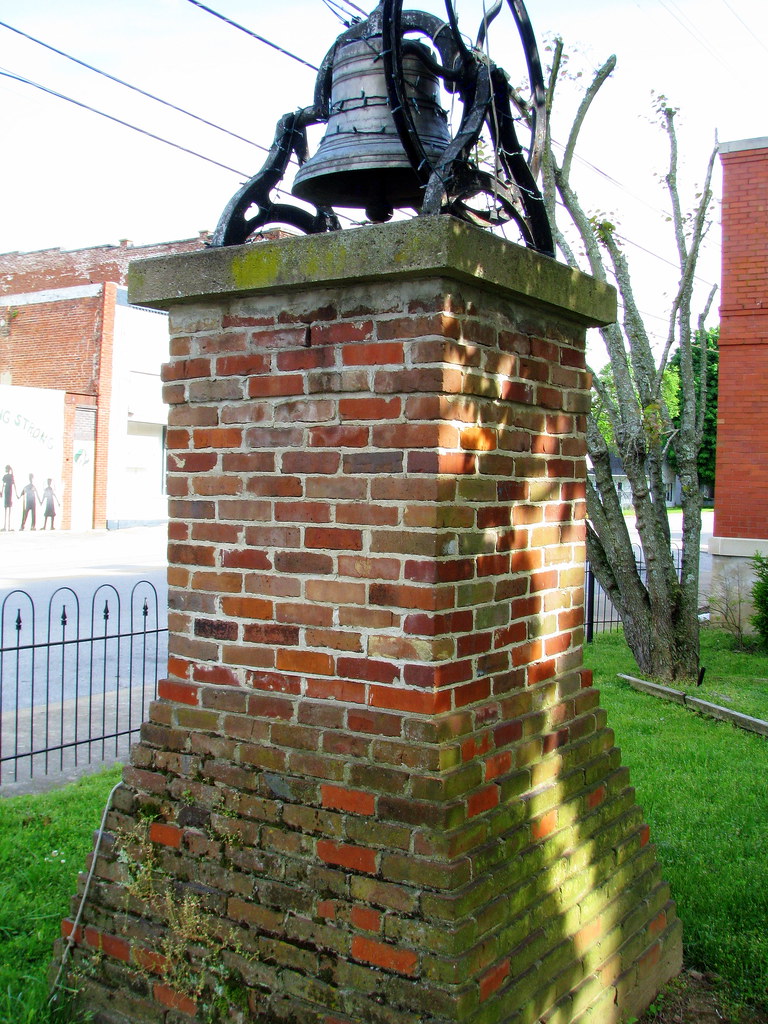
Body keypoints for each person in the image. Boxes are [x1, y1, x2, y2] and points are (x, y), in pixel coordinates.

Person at [2, 465, 15, 531]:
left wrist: (12, 470)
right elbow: (3, 484)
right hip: (7, 491)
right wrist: (1, 492)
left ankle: (8, 526)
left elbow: (13, 482)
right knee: (6, 508)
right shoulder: (6, 476)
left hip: (9, 492)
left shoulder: (10, 476)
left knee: (9, 508)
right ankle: (5, 526)